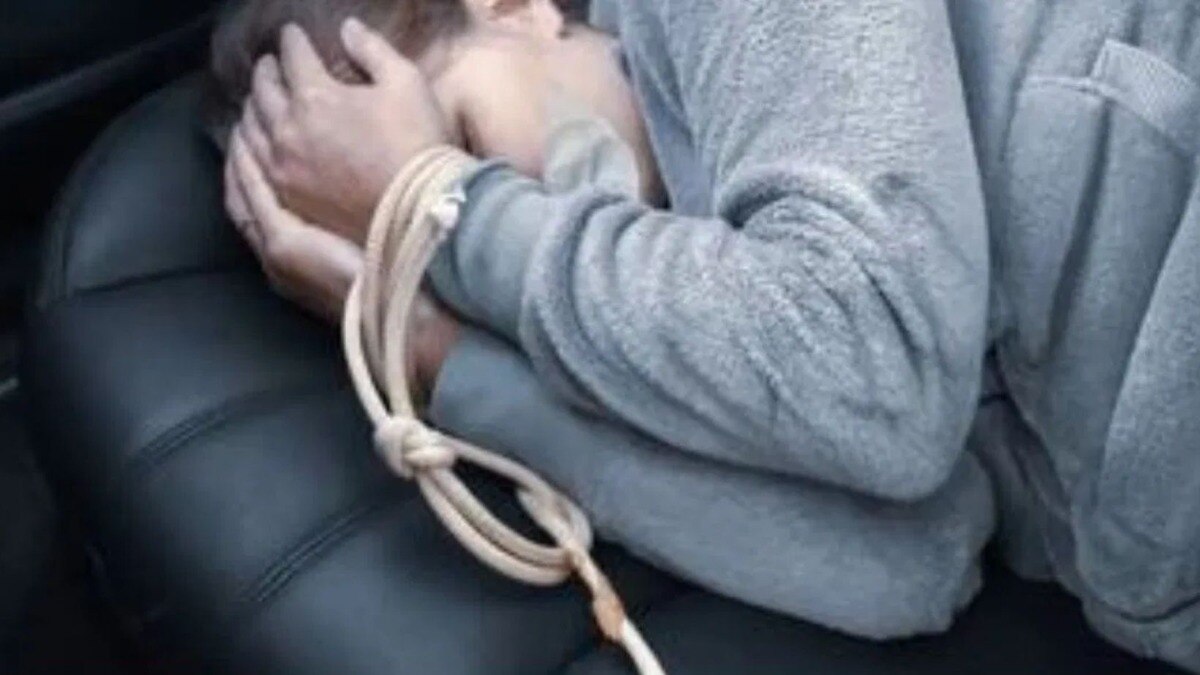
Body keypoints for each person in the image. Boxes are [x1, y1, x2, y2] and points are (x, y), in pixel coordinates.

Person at [220, 1, 1200, 670]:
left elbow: (875, 368)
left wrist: (449, 209)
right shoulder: (674, 315)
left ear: (512, 7)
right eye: (458, 273)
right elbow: (908, 558)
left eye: (471, 146)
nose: (524, 226)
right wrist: (445, 357)